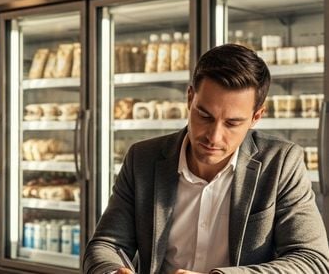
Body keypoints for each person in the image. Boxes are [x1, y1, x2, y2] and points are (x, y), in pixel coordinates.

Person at [84, 44, 329, 274]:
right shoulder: (142, 159)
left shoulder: (281, 163)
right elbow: (106, 244)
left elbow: (311, 259)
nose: (214, 136)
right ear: (190, 98)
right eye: (205, 116)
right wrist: (113, 271)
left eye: (232, 123)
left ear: (256, 116)